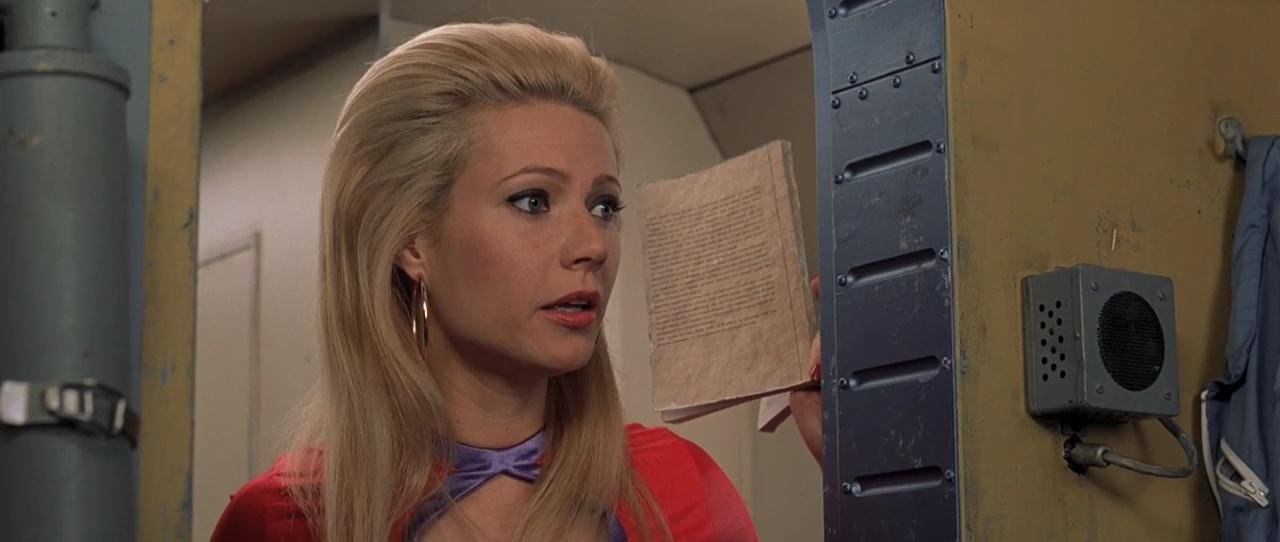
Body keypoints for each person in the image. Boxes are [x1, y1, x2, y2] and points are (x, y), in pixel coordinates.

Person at [209, 22, 822, 542]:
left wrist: (858, 467)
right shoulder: (284, 520)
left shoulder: (683, 489)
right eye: (533, 201)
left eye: (604, 206)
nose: (592, 246)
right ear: (410, 242)